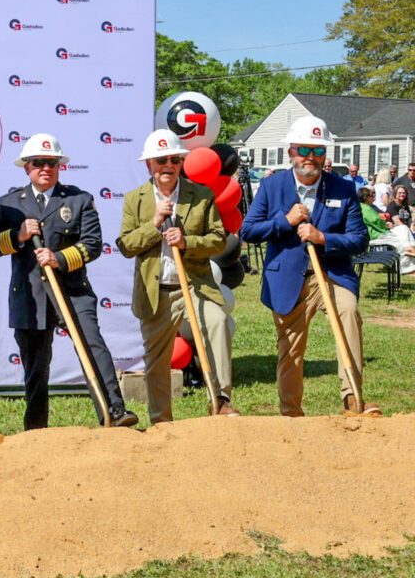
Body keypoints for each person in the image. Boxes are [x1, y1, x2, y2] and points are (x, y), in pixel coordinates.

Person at [0, 133, 137, 429]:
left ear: (59, 166)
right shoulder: (9, 205)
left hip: (72, 291)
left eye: (52, 163)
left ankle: (115, 411)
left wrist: (59, 258)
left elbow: (93, 244)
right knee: (35, 367)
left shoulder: (78, 200)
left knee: (93, 347)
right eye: (39, 162)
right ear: (26, 167)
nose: (46, 168)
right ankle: (35, 429)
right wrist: (16, 236)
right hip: (30, 296)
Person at [240, 115, 378, 416]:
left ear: (325, 155)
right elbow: (248, 232)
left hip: (332, 275)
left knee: (349, 314)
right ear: (291, 152)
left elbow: (359, 239)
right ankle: (291, 412)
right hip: (288, 278)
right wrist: (284, 221)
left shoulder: (341, 188)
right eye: (304, 150)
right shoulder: (272, 186)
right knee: (291, 348)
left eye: (318, 151)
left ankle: (352, 397)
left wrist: (323, 237)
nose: (310, 157)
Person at [117, 129, 238, 424]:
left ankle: (220, 400)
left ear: (182, 162)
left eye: (173, 159)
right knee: (157, 359)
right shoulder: (136, 199)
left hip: (195, 286)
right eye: (160, 161)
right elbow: (126, 245)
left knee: (218, 321)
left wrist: (187, 242)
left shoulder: (202, 195)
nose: (167, 165)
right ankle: (161, 422)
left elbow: (219, 240)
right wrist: (154, 224)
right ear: (149, 165)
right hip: (155, 290)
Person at [359, 187, 415, 274]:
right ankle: (406, 268)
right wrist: (387, 225)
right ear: (366, 197)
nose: (373, 197)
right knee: (400, 241)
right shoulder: (365, 208)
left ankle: (409, 248)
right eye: (372, 195)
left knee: (403, 228)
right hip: (376, 234)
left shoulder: (366, 207)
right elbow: (376, 221)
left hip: (379, 231)